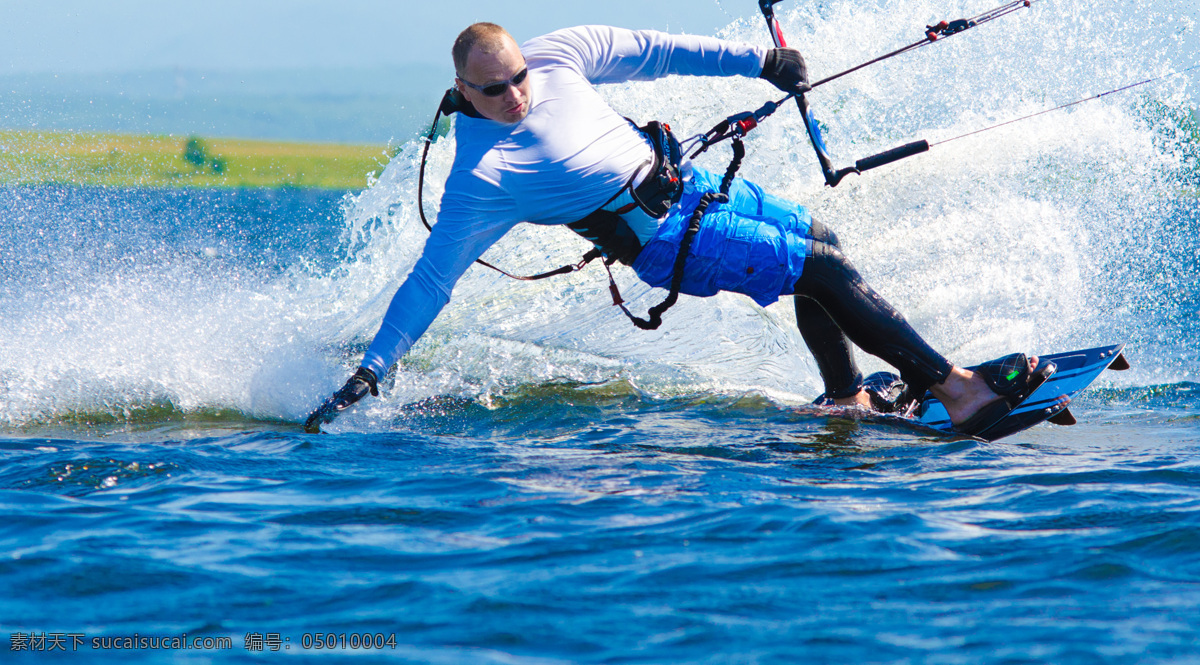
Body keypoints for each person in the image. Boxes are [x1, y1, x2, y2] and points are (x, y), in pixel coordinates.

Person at [305, 24, 1050, 433]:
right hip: (668, 243)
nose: (515, 96)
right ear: (460, 90)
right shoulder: (482, 175)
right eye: (493, 89)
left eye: (518, 79)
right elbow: (432, 278)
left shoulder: (558, 56)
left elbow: (658, 50)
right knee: (817, 272)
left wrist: (759, 60)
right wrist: (370, 370)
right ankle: (957, 389)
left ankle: (846, 394)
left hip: (699, 190)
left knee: (827, 248)